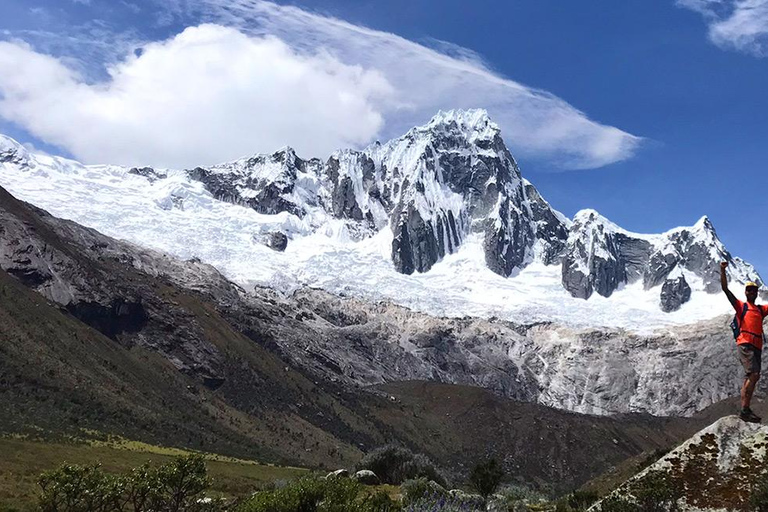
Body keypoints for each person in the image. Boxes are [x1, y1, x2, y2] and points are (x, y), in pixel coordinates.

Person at [720, 261, 768, 423]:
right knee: (753, 374)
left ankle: (745, 409)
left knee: (753, 376)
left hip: (756, 346)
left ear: (757, 292)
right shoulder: (741, 306)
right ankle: (744, 410)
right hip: (746, 343)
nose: (751, 292)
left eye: (754, 290)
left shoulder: (761, 309)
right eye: (749, 290)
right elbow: (725, 290)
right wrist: (722, 270)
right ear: (746, 292)